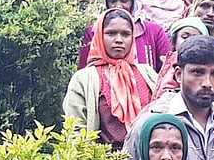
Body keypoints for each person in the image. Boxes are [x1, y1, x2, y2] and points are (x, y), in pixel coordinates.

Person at [63, 8, 158, 149]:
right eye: (111, 33)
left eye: (126, 34)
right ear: (100, 36)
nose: (118, 40)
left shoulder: (148, 74)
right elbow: (75, 130)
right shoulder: (84, 79)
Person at [77, 0, 171, 72]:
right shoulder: (93, 31)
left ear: (133, 1)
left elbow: (167, 70)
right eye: (112, 1)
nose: (118, 6)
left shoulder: (154, 31)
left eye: (124, 0)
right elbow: (84, 69)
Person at [153, 17, 209, 100]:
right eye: (185, 37)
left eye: (195, 38)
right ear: (173, 42)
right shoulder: (172, 61)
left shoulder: (206, 64)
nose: (190, 41)